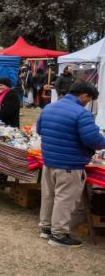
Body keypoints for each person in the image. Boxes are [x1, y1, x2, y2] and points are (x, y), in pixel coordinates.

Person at [36, 81, 105, 247]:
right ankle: (58, 235)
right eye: (89, 99)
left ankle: (46, 228)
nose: (88, 103)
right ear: (84, 95)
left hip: (49, 160)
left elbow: (39, 130)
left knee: (49, 195)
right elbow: (93, 139)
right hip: (69, 163)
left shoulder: (50, 107)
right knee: (65, 199)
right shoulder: (81, 114)